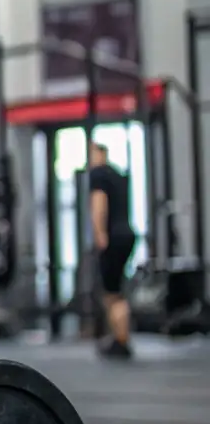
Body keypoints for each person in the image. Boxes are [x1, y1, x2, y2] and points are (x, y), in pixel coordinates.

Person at [88, 142, 136, 359]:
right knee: (117, 291)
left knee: (111, 293)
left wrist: (99, 235)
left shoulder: (98, 174)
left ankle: (120, 339)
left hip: (112, 237)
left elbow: (99, 205)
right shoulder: (117, 175)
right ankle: (121, 337)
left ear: (97, 154)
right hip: (127, 234)